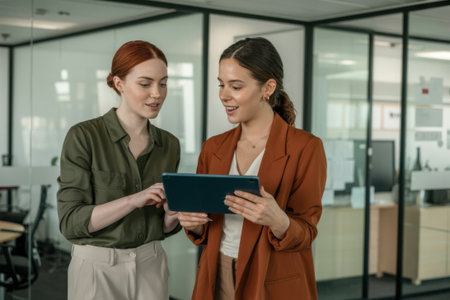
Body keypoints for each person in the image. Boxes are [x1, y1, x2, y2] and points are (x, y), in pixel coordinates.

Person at [178, 37, 327, 300]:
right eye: (221, 84)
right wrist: (194, 224)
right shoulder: (213, 148)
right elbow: (207, 226)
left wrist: (278, 220)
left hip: (273, 275)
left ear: (268, 87)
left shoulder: (306, 148)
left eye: (236, 86)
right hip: (218, 270)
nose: (224, 95)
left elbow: (307, 232)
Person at [57, 40, 181, 300]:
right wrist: (133, 200)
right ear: (118, 83)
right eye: (145, 84)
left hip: (152, 264)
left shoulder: (169, 144)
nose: (157, 94)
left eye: (163, 83)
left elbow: (164, 227)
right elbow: (71, 223)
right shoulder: (84, 136)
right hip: (97, 269)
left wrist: (173, 215)